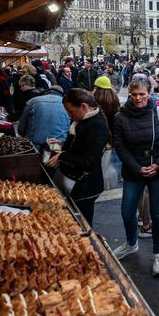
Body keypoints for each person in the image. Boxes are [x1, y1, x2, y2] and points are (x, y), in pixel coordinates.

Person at [111, 77, 159, 277]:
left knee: (157, 215)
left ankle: (158, 253)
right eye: (134, 94)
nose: (138, 98)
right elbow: (120, 146)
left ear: (149, 93)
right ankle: (131, 243)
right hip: (134, 171)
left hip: (158, 169)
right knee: (127, 212)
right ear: (130, 93)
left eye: (142, 94)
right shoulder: (120, 117)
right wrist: (137, 168)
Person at [44, 88, 108, 224]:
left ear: (84, 107)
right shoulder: (83, 120)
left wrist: (63, 156)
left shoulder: (96, 126)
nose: (69, 115)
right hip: (75, 183)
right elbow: (80, 146)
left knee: (82, 223)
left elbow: (89, 162)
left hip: (85, 186)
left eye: (71, 111)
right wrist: (61, 144)